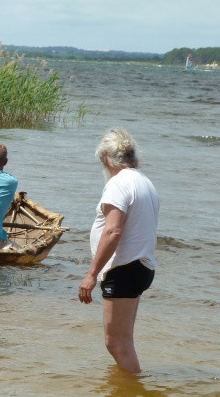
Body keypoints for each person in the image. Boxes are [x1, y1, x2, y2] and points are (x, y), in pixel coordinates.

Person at [78, 128, 160, 373]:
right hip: (141, 267)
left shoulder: (119, 183)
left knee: (115, 344)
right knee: (124, 343)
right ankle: (127, 386)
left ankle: (135, 387)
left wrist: (91, 275)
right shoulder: (144, 181)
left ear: (105, 156)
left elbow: (113, 231)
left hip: (124, 269)